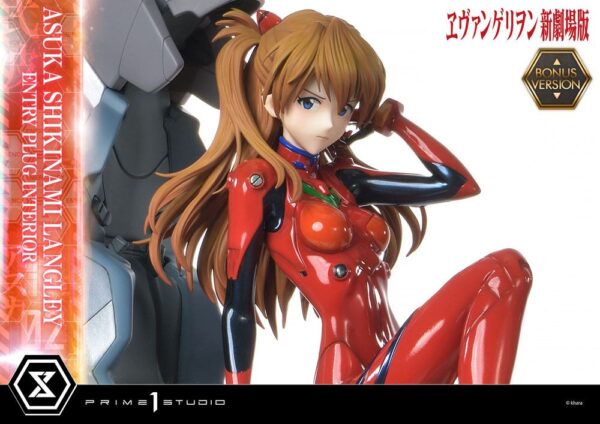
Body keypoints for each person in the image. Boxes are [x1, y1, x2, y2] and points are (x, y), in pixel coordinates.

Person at [142, 9, 532, 384]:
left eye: (344, 108)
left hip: (394, 356)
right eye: (309, 102)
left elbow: (456, 184)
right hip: (350, 372)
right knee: (503, 270)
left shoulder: (345, 180)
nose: (329, 122)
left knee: (509, 272)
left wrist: (399, 124)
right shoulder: (260, 183)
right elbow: (237, 307)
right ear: (273, 101)